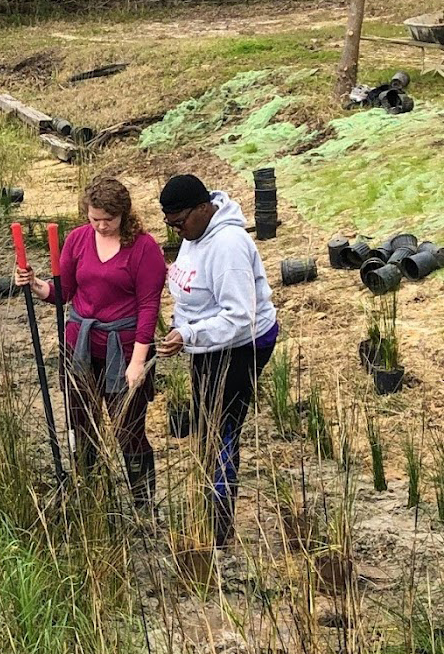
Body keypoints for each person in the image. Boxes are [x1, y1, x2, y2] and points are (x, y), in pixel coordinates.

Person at [14, 177, 166, 506]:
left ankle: (143, 504)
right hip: (80, 348)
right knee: (81, 424)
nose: (99, 226)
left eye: (107, 221)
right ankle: (92, 496)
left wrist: (138, 362)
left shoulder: (144, 248)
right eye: (93, 218)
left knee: (128, 429)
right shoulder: (79, 239)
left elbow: (148, 308)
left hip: (123, 351)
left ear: (123, 215)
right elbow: (62, 292)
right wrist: (35, 283)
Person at [155, 174, 279, 548]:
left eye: (179, 223)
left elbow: (240, 316)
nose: (176, 232)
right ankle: (210, 506)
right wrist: (182, 326)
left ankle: (219, 527)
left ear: (204, 207)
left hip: (243, 344)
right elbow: (193, 291)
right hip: (207, 346)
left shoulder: (227, 246)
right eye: (169, 225)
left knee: (222, 428)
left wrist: (190, 334)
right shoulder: (195, 235)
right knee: (207, 422)